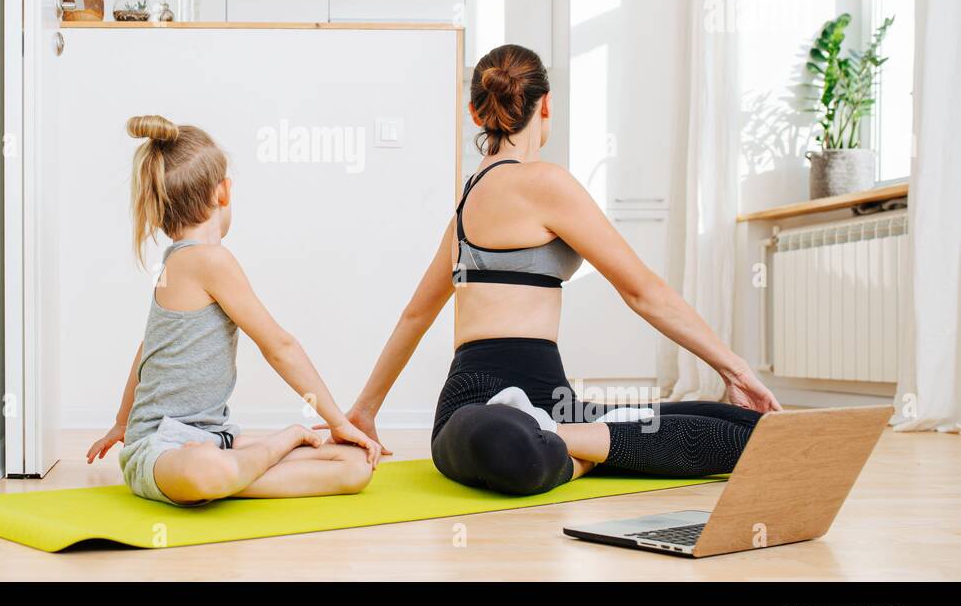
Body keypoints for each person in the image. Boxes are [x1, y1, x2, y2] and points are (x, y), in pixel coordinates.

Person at [336, 45, 781, 496]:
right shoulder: (547, 182)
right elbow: (643, 291)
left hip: (553, 402)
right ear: (545, 104)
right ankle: (578, 446)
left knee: (749, 428)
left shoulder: (467, 206)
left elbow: (416, 315)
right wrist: (737, 371)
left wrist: (366, 409)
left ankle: (564, 442)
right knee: (513, 445)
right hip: (480, 406)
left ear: (476, 112)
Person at [87, 115, 381, 505]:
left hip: (215, 440)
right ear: (223, 192)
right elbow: (280, 346)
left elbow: (146, 351)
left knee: (354, 466)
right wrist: (339, 421)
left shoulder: (181, 263)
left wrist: (122, 422)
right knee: (207, 470)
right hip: (161, 450)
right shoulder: (208, 261)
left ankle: (235, 472)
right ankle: (271, 448)